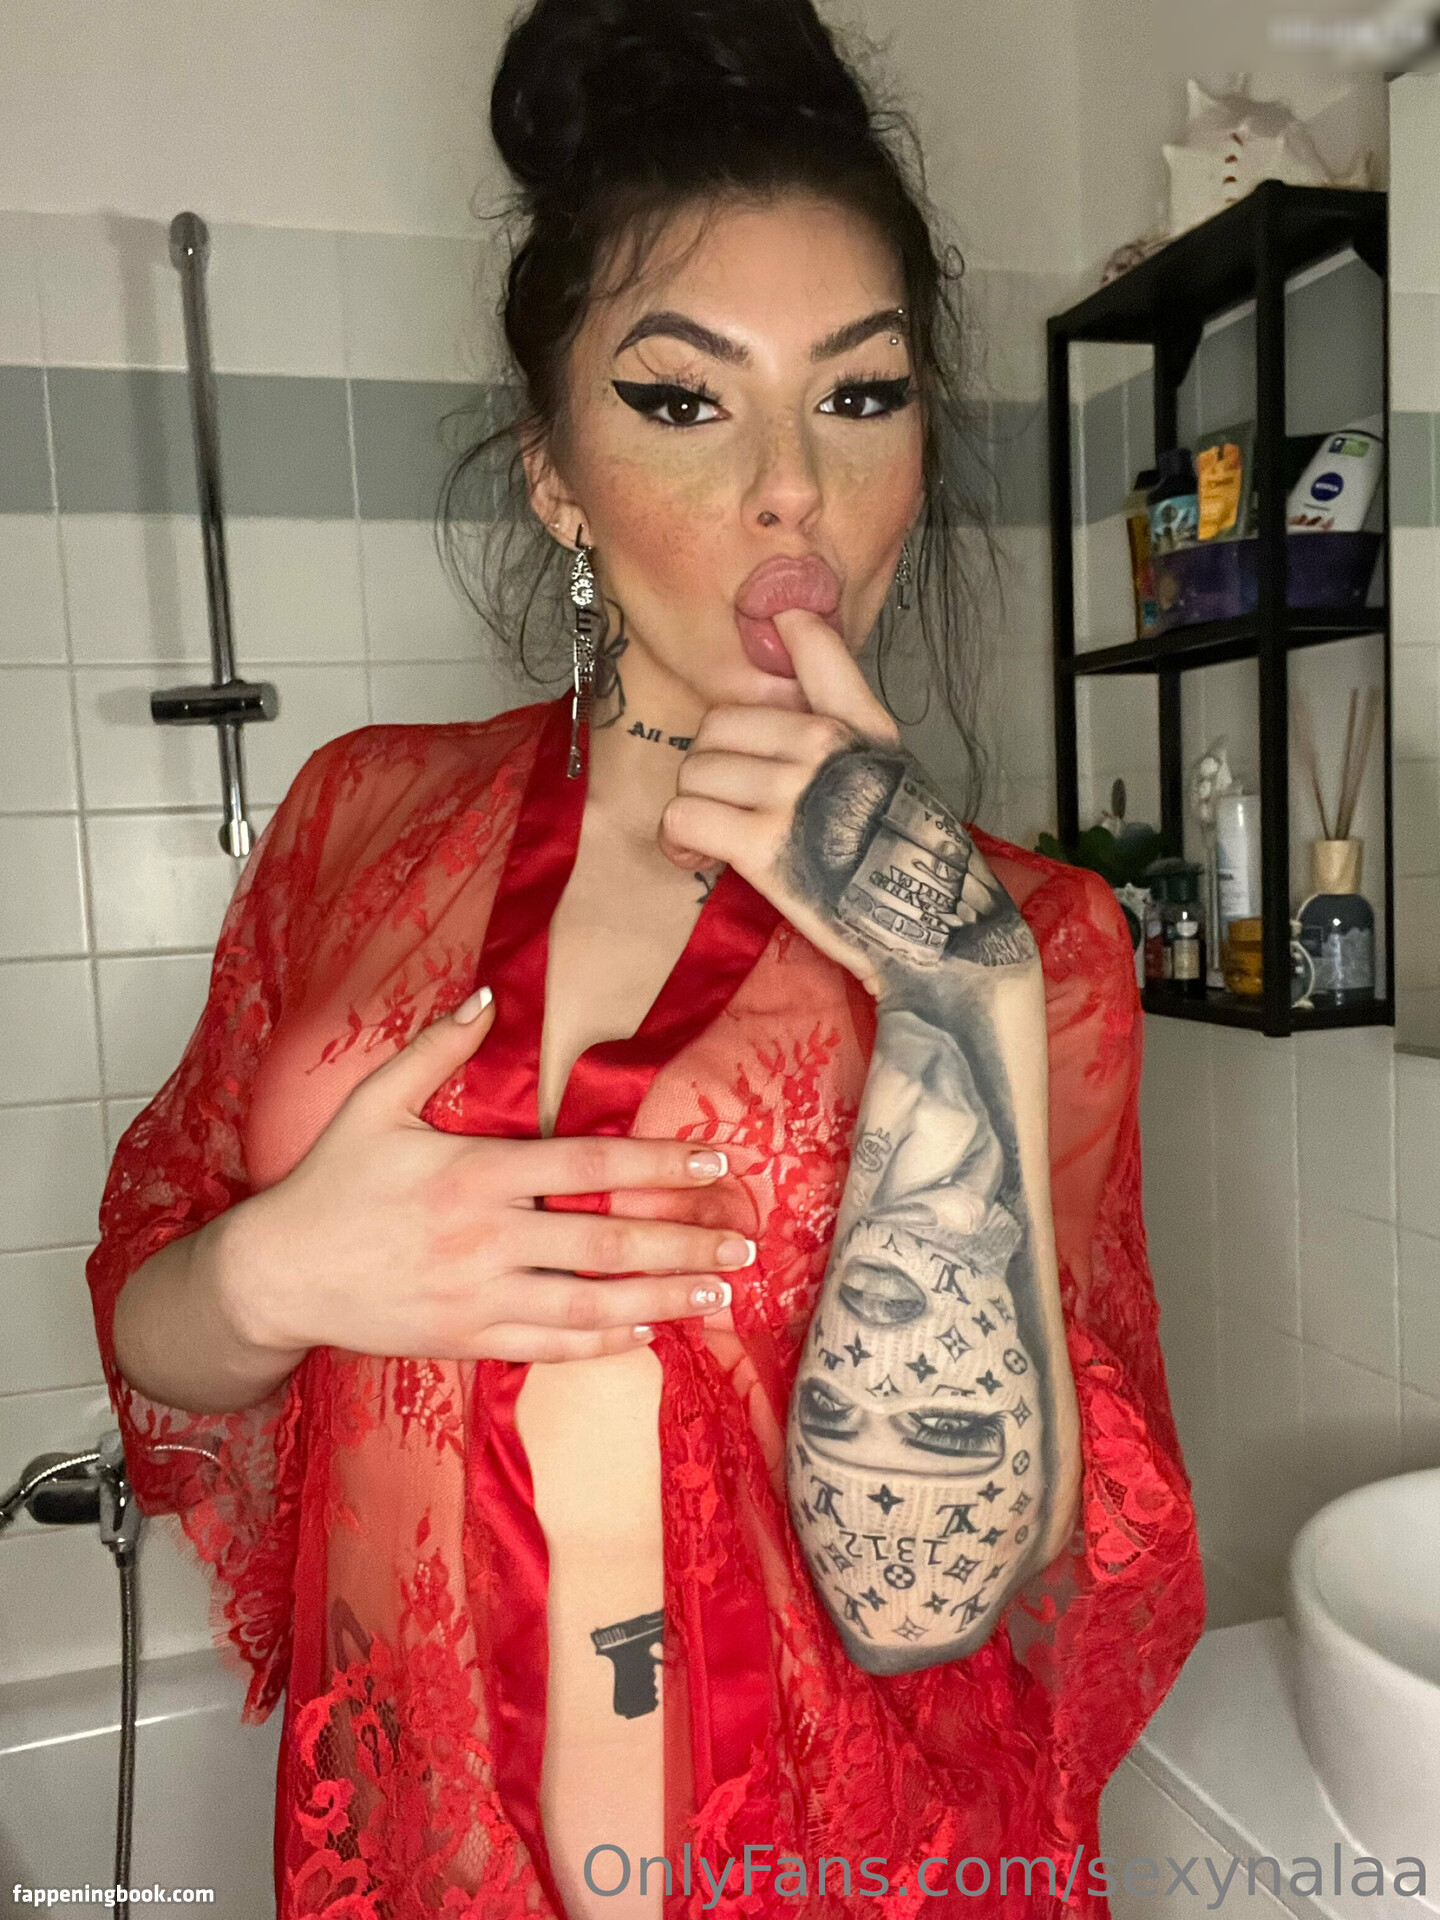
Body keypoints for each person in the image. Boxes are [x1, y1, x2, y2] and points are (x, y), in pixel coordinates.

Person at [85, 1, 1206, 1915]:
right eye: (685, 400)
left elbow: (936, 1595)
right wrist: (278, 1270)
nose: (791, 485)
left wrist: (947, 984)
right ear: (554, 473)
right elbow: (153, 1303)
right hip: (417, 1858)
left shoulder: (1037, 938)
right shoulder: (357, 818)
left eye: (860, 395)